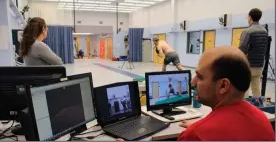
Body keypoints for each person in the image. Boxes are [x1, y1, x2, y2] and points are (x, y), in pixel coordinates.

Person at [116, 46, 274, 141]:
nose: (192, 82)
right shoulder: (262, 119)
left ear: (223, 85)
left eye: (200, 76)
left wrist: (201, 128)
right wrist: (204, 125)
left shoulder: (195, 135)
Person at [239, 8, 268, 98]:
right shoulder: (264, 31)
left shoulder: (247, 31)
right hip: (259, 65)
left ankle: (243, 108)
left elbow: (241, 50)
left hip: (248, 65)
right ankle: (257, 105)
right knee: (256, 87)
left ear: (250, 17)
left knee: (243, 88)